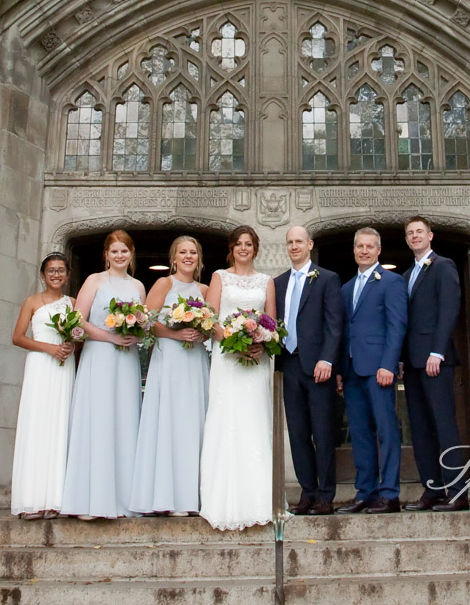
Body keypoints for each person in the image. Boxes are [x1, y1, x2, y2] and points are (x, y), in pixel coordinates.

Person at [59, 230, 146, 519]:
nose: (120, 256)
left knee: (124, 418)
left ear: (131, 254)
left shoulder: (138, 286)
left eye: (124, 251)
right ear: (106, 255)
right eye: (114, 251)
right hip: (99, 356)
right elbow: (76, 320)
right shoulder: (94, 280)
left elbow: (144, 324)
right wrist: (110, 337)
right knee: (98, 419)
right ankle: (89, 500)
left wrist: (136, 333)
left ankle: (122, 500)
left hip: (127, 360)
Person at [198, 225, 277, 530]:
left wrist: (261, 342)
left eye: (249, 244)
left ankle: (259, 499)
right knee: (227, 420)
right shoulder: (220, 277)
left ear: (255, 248)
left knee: (254, 421)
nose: (244, 248)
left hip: (256, 361)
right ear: (231, 249)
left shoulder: (266, 281)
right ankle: (222, 500)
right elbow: (209, 318)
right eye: (239, 244)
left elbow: (271, 322)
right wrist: (234, 342)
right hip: (228, 359)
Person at [130, 234, 212, 516]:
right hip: (170, 359)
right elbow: (147, 321)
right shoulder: (165, 283)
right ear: (174, 258)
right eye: (183, 252)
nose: (188, 257)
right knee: (169, 419)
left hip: (195, 360)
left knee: (192, 420)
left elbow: (211, 326)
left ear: (199, 259)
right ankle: (165, 497)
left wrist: (201, 332)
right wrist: (176, 333)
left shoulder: (205, 289)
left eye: (193, 252)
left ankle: (190, 498)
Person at [398, 216, 468, 511]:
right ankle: (432, 490)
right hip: (413, 363)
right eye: (410, 233)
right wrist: (401, 359)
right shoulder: (405, 276)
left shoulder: (443, 266)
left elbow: (449, 310)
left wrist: (437, 352)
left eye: (419, 232)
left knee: (444, 425)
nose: (415, 236)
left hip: (435, 360)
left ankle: (458, 492)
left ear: (430, 236)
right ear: (407, 239)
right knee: (420, 428)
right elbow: (404, 322)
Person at [273, 225, 342, 515]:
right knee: (298, 433)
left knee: (322, 432)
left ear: (310, 244)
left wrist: (327, 359)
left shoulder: (327, 278)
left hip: (317, 367)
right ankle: (308, 492)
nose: (294, 246)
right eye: (290, 242)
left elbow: (334, 324)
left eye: (299, 241)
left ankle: (325, 495)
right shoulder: (278, 283)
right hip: (289, 364)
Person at [337, 227, 407, 514]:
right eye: (360, 246)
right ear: (354, 250)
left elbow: (397, 325)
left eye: (369, 246)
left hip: (379, 369)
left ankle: (389, 494)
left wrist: (388, 364)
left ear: (378, 251)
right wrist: (340, 369)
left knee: (386, 431)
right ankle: (365, 492)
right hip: (352, 370)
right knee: (360, 433)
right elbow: (344, 330)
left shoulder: (391, 281)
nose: (364, 251)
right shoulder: (346, 288)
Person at [9, 253, 78, 519]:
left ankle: (56, 500)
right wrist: (48, 348)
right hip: (39, 366)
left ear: (68, 275)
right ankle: (31, 499)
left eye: (61, 270)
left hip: (63, 367)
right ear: (42, 274)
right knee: (37, 426)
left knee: (59, 425)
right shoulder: (32, 302)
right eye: (51, 270)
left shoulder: (73, 303)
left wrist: (72, 345)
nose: (56, 274)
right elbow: (18, 337)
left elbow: (80, 335)